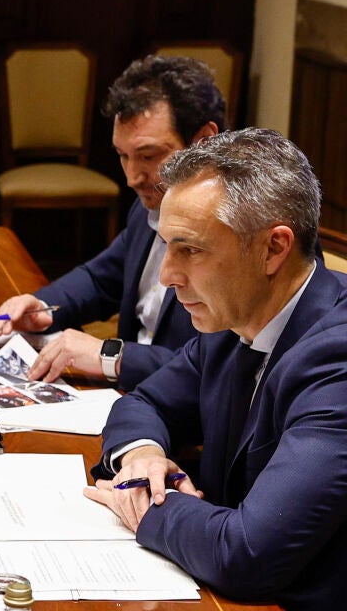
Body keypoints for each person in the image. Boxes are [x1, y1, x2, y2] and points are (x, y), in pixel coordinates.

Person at [84, 129, 347, 609]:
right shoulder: (234, 317)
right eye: (166, 246)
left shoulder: (338, 361)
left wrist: (143, 504)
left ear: (273, 249)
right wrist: (142, 457)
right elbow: (145, 402)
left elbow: (246, 556)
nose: (167, 275)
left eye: (190, 249)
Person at [0, 55, 225, 389]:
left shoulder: (241, 232)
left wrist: (110, 356)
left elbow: (219, 368)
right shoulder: (150, 204)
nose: (132, 177)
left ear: (204, 142)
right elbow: (102, 279)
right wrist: (42, 307)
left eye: (149, 156)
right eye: (123, 155)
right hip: (131, 395)